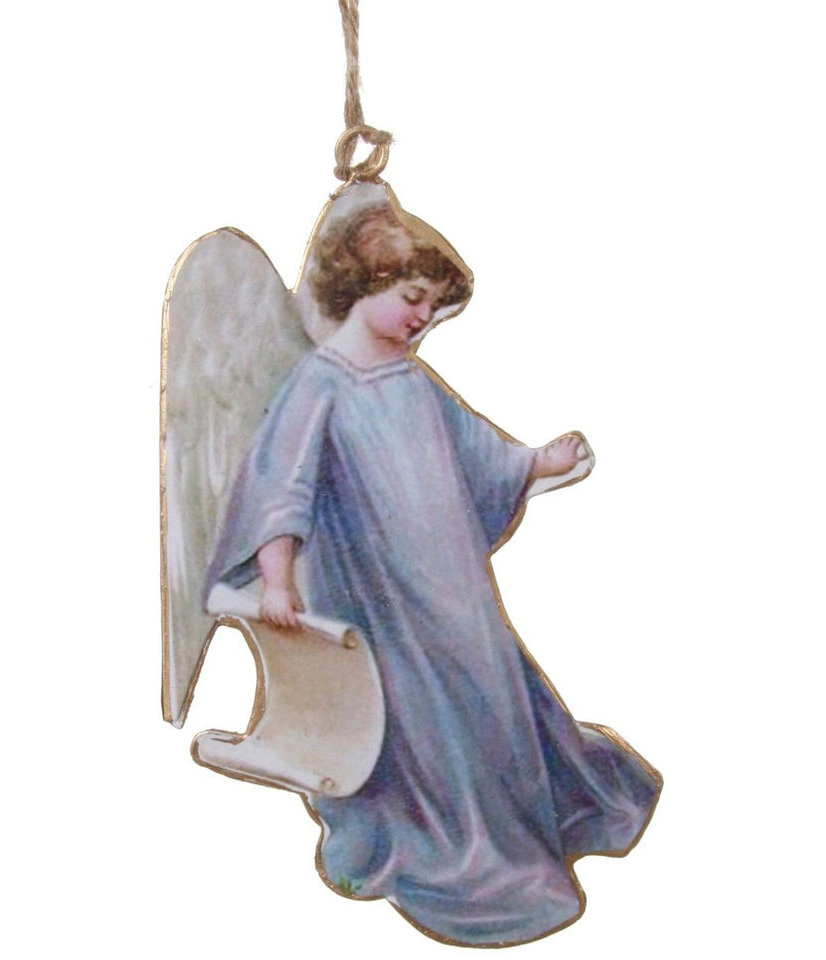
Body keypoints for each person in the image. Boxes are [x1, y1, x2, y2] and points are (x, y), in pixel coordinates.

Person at [204, 203, 661, 946]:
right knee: (422, 718)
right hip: (380, 598)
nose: (423, 318)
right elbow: (279, 488)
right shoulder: (319, 384)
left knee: (494, 694)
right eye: (412, 298)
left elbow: (476, 452)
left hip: (454, 588)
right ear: (363, 285)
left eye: (433, 307)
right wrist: (277, 576)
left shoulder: (410, 379)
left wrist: (533, 463)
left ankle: (530, 822)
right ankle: (465, 849)